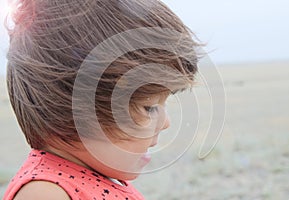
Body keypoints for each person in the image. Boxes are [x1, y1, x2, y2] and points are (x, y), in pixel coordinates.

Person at [3, 0, 201, 199]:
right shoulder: (46, 192)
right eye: (149, 107)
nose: (165, 123)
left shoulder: (97, 177)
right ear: (75, 110)